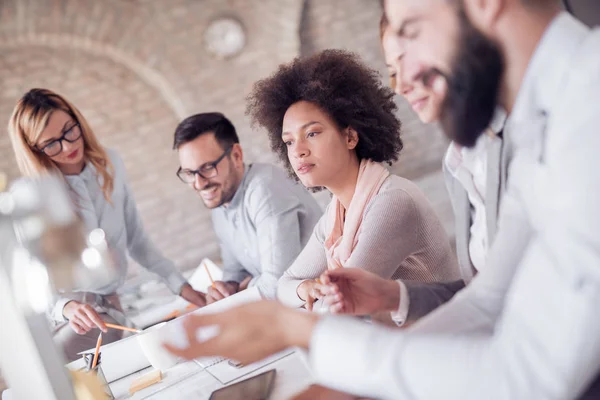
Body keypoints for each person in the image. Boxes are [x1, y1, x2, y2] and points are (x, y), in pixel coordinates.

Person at [165, 1, 600, 399]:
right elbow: (488, 298)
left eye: (411, 31)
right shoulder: (537, 123)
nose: (404, 80)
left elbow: (528, 376)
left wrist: (303, 333)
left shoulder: (585, 112)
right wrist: (392, 298)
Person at [245, 49, 460, 311]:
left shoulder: (392, 202)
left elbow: (344, 301)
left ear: (350, 137)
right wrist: (306, 288)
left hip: (442, 341)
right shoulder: (334, 216)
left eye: (312, 133)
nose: (298, 150)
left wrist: (315, 296)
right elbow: (284, 285)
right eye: (288, 141)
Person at [7, 88, 206, 361]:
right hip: (75, 321)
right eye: (51, 143)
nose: (67, 147)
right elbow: (32, 278)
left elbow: (137, 239)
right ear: (35, 149)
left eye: (69, 131)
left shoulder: (111, 164)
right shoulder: (37, 195)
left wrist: (181, 286)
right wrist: (67, 307)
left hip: (112, 311)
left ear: (78, 120)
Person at [379, 14, 508, 324]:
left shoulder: (520, 137)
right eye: (392, 72)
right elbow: (481, 293)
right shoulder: (457, 163)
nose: (400, 86)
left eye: (405, 59)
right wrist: (392, 296)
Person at [173, 112, 322, 300]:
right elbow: (236, 271)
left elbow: (279, 285)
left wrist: (248, 286)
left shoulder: (265, 188)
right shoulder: (220, 203)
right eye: (189, 173)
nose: (199, 183)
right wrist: (226, 287)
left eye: (207, 168)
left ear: (236, 155)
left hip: (323, 306)